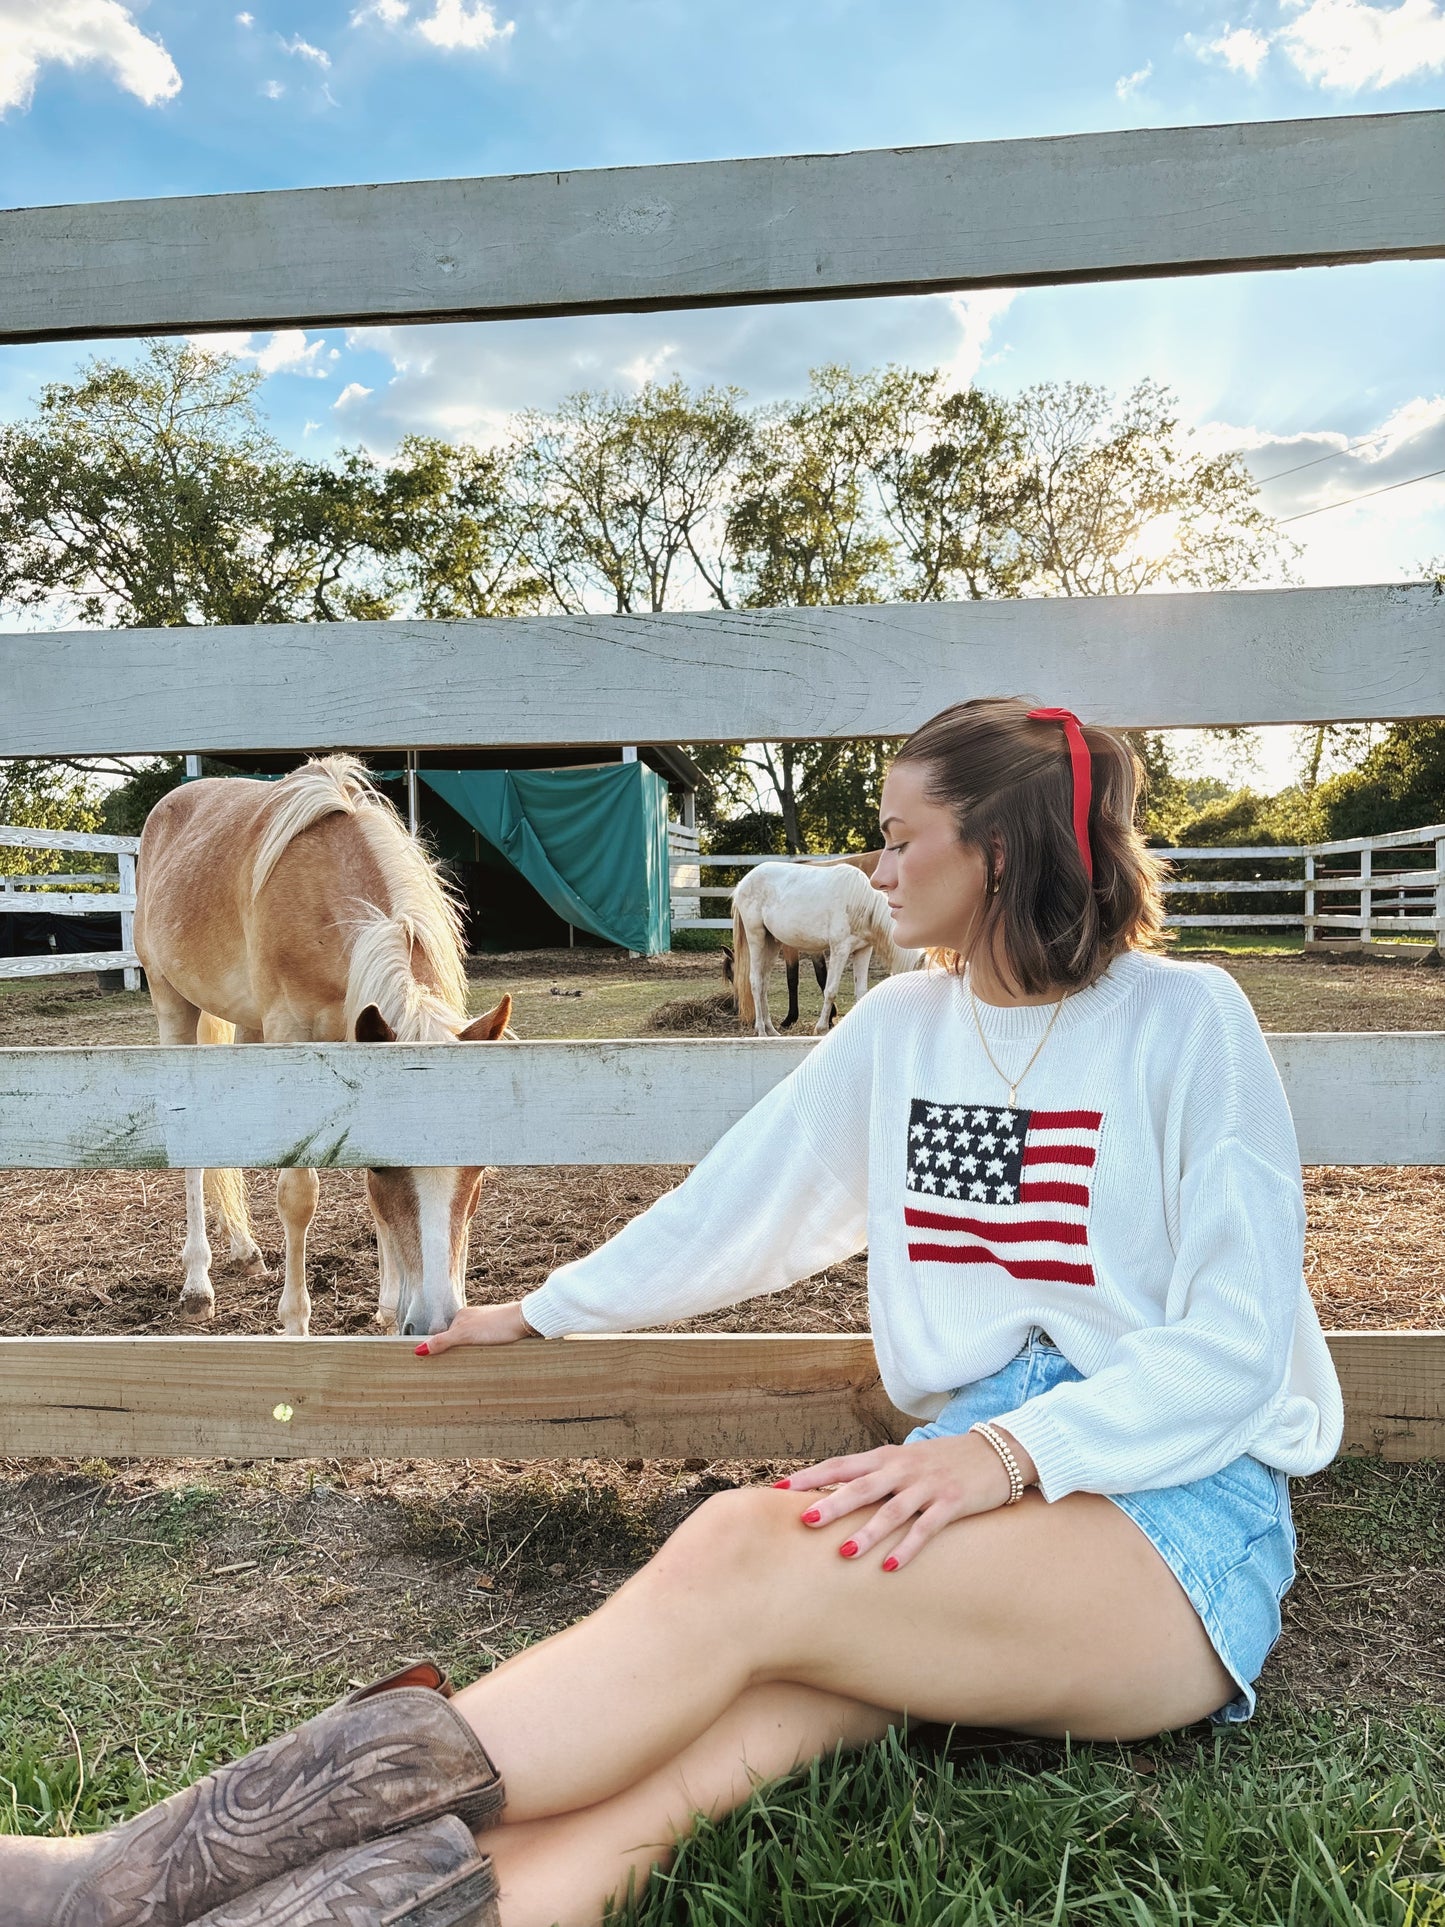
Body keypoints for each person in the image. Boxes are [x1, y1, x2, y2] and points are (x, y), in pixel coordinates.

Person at [7, 697, 1343, 1927]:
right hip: (959, 1484)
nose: (872, 871)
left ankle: (117, 1881)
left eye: (896, 838)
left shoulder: (1184, 1019)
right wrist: (539, 1310)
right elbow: (746, 1207)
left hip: (1171, 1516)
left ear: (995, 847)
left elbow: (1237, 1347)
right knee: (712, 1742)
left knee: (740, 1548)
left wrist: (996, 1456)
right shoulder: (901, 1033)